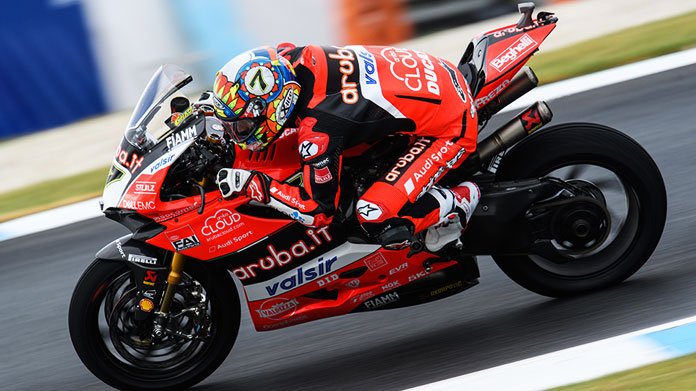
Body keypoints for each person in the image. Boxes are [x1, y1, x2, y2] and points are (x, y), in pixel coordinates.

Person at [214, 44, 480, 251]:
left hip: (452, 126)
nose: (239, 133)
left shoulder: (319, 129)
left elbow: (317, 210)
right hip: (439, 70)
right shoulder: (291, 59)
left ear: (273, 108)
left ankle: (459, 200)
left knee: (374, 215)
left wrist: (254, 185)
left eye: (244, 125)